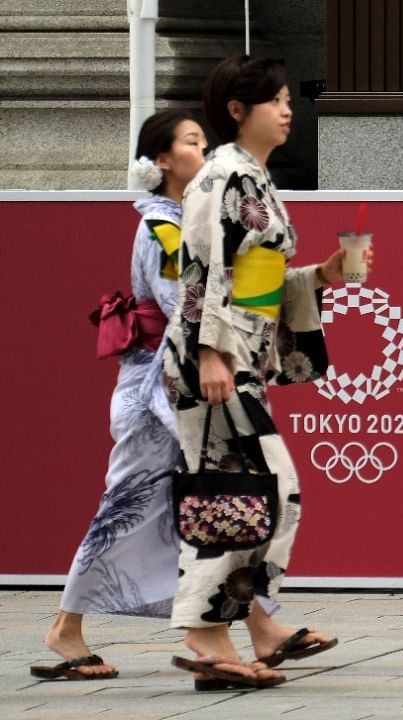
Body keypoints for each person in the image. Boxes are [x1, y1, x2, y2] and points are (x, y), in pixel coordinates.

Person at [162, 55, 350, 690]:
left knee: (247, 500)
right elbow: (203, 272)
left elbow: (255, 281)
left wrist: (320, 276)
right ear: (237, 111)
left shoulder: (254, 178)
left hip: (235, 356)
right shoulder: (222, 176)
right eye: (273, 99)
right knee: (247, 497)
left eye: (288, 98)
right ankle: (204, 631)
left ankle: (254, 629)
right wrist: (211, 351)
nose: (287, 108)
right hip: (213, 361)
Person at [30, 109, 207, 681]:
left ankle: (217, 630)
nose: (203, 149)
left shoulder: (179, 219)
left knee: (189, 509)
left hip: (168, 383)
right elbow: (188, 305)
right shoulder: (163, 227)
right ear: (161, 160)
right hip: (155, 388)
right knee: (126, 507)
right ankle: (67, 626)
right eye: (191, 141)